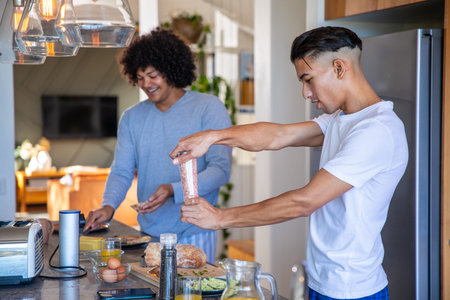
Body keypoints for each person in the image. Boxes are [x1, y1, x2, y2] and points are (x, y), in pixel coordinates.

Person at [170, 26, 408, 299]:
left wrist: (221, 218)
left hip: (351, 290)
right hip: (322, 281)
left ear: (339, 68)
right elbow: (276, 135)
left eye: (308, 79)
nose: (306, 93)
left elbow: (305, 201)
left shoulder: (377, 130)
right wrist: (212, 137)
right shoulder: (342, 120)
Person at [84, 27, 232, 263]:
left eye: (153, 75)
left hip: (195, 232)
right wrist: (108, 206)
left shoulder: (208, 108)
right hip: (149, 235)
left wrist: (173, 189)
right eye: (140, 78)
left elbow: (220, 171)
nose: (146, 84)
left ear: (171, 69)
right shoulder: (132, 118)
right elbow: (121, 170)